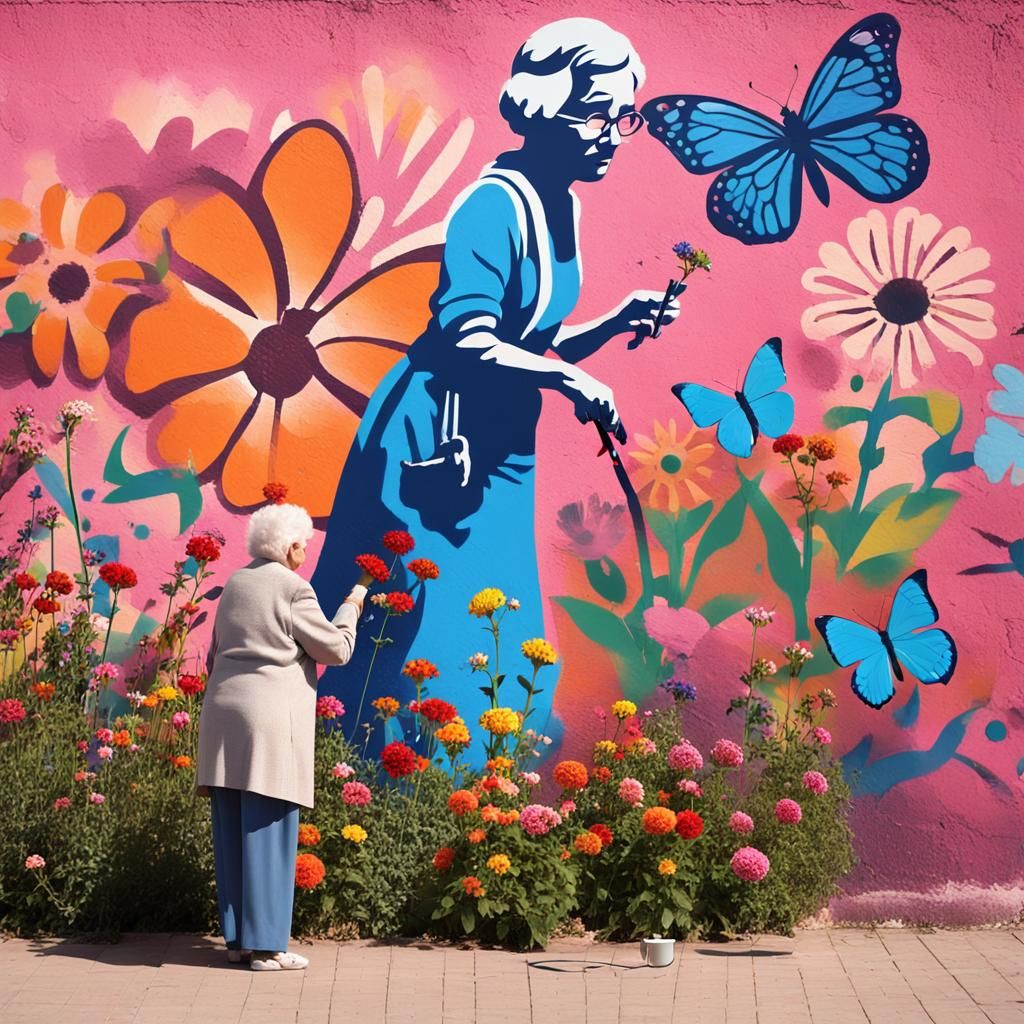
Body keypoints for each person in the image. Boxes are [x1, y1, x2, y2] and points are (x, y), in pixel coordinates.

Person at [312, 17, 680, 769]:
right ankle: (378, 793)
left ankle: (473, 799)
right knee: (424, 625)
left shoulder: (564, 204)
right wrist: (569, 378)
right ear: (544, 107)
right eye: (597, 112)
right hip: (438, 442)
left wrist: (610, 325)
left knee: (502, 625)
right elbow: (467, 339)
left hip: (503, 451)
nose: (614, 132)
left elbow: (528, 343)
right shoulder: (493, 205)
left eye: (625, 114)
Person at [197, 502, 371, 971]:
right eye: (305, 546)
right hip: (268, 722)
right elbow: (335, 650)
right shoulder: (294, 589)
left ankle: (237, 941)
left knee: (231, 828)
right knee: (271, 828)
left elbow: (214, 653)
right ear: (292, 546)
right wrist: (353, 604)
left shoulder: (236, 582)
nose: (306, 554)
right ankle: (269, 947)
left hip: (222, 716)